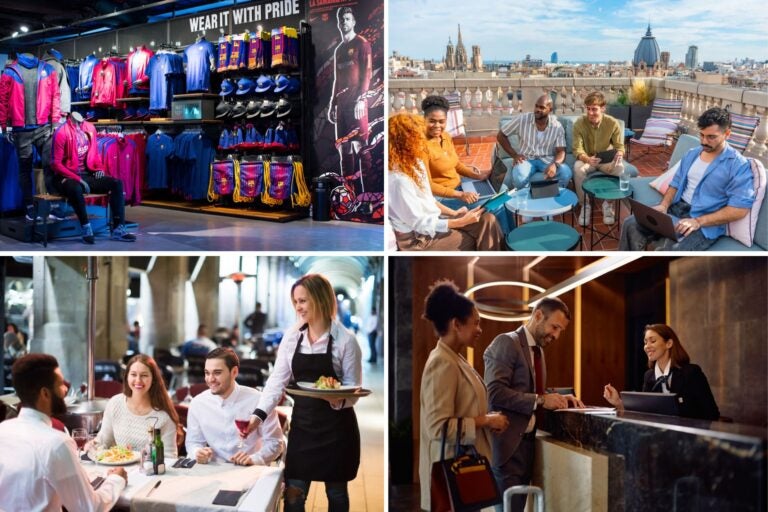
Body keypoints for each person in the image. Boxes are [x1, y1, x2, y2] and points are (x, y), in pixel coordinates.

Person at [244, 274, 363, 512]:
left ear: (321, 299)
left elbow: (353, 388)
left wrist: (336, 398)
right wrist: (258, 415)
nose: (298, 307)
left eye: (303, 301)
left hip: (337, 429)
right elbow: (277, 381)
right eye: (296, 302)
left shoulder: (346, 341)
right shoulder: (292, 336)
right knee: (294, 494)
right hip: (303, 426)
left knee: (337, 493)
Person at [484, 297, 583, 512]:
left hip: (527, 448)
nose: (556, 335)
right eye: (554, 327)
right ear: (538, 315)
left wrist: (557, 396)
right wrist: (541, 400)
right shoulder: (506, 342)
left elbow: (528, 390)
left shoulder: (538, 351)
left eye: (560, 330)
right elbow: (495, 392)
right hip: (508, 450)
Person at [419, 280, 509, 511]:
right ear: (456, 324)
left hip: (466, 474)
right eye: (476, 323)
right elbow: (438, 427)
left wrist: (488, 419)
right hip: (454, 476)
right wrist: (486, 420)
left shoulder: (455, 358)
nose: (480, 329)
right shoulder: (442, 362)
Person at [0, 353, 127, 510]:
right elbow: (90, 508)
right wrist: (116, 479)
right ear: (45, 394)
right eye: (60, 384)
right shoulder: (57, 443)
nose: (65, 389)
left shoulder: (2, 430)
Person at [619, 107, 755, 251]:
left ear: (727, 134)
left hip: (704, 221)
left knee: (672, 250)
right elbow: (676, 183)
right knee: (631, 224)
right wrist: (664, 205)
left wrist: (698, 221)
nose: (704, 141)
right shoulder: (692, 154)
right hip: (675, 209)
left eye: (711, 137)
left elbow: (740, 209)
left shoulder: (738, 165)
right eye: (702, 135)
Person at [388, 113, 504, 251]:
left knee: (488, 219)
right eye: (419, 138)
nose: (424, 142)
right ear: (404, 144)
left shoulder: (415, 164)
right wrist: (459, 222)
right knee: (474, 237)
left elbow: (428, 200)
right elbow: (419, 223)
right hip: (418, 239)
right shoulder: (398, 180)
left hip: (434, 222)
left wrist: (454, 214)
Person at [48, 111, 136, 243]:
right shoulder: (61, 132)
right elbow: (56, 164)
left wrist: (98, 168)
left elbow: (94, 155)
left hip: (87, 174)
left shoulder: (90, 128)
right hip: (64, 176)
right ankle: (86, 228)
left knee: (116, 183)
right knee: (75, 188)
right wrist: (77, 179)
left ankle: (118, 229)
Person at [186, 347, 284, 466]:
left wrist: (254, 459)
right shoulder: (198, 403)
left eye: (217, 373)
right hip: (213, 469)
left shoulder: (260, 401)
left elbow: (275, 443)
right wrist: (197, 452)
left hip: (250, 469)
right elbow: (193, 442)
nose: (210, 379)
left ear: (234, 372)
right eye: (207, 373)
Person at [603, 324, 720, 420]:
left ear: (669, 344)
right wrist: (618, 402)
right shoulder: (649, 376)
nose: (647, 346)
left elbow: (712, 413)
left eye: (652, 341)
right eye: (645, 342)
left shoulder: (691, 372)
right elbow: (643, 414)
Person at [0, 52, 61, 221]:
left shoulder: (48, 69)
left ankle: (54, 205)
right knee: (25, 169)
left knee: (50, 165)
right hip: (22, 129)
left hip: (44, 127)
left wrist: (55, 122)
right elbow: (3, 101)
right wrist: (4, 126)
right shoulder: (10, 72)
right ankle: (29, 206)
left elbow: (55, 95)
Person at [94, 354, 179, 457]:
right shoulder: (114, 403)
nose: (138, 380)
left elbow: (170, 457)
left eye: (144, 375)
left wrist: (140, 459)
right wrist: (93, 445)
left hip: (150, 467)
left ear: (153, 379)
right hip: (119, 465)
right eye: (133, 374)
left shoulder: (164, 415)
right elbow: (103, 442)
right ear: (127, 377)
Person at [328, 6, 372, 197]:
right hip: (341, 106)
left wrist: (362, 99)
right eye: (342, 19)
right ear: (339, 23)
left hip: (357, 106)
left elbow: (367, 73)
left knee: (360, 147)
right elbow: (337, 80)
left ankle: (368, 194)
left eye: (347, 19)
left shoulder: (362, 44)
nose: (344, 22)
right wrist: (333, 104)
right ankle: (350, 195)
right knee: (344, 148)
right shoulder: (339, 50)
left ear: (353, 22)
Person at [422, 95, 492, 205]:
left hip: (460, 186)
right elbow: (427, 185)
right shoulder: (421, 146)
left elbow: (457, 165)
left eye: (441, 121)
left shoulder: (445, 136)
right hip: (442, 197)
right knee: (491, 204)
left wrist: (478, 176)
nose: (437, 126)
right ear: (424, 119)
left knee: (500, 193)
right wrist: (460, 195)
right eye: (432, 121)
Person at [572, 91, 626, 226]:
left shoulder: (612, 123)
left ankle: (608, 204)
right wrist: (587, 159)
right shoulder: (579, 123)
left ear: (603, 108)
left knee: (620, 168)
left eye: (594, 109)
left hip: (605, 160)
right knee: (578, 169)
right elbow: (577, 149)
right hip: (587, 159)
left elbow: (620, 146)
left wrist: (619, 153)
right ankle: (585, 205)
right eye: (588, 109)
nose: (590, 113)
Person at [497, 94, 572, 191]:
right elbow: (501, 135)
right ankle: (527, 197)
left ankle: (552, 195)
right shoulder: (522, 120)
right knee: (519, 177)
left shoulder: (557, 126)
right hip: (526, 159)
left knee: (566, 173)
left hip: (547, 160)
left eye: (542, 107)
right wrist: (514, 155)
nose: (537, 109)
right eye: (536, 106)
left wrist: (555, 164)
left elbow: (561, 151)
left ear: (550, 109)